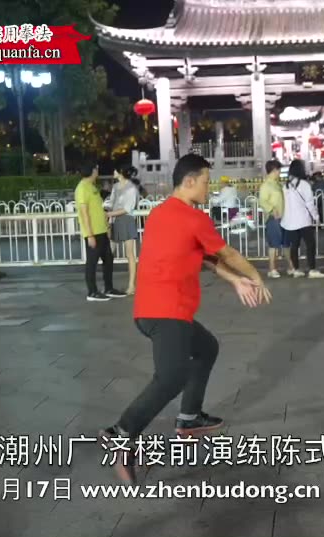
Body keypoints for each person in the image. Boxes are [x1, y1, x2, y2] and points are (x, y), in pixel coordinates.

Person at [98, 154, 272, 485]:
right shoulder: (194, 218)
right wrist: (255, 276)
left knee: (206, 348)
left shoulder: (162, 212)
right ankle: (121, 434)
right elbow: (227, 253)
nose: (209, 188)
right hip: (167, 311)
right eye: (206, 182)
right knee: (171, 378)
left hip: (150, 309)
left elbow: (204, 257)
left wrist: (235, 280)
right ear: (189, 181)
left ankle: (189, 418)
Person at [76, 165, 126, 302]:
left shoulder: (92, 187)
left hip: (102, 231)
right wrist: (89, 235)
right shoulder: (82, 188)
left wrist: (106, 227)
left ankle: (108, 288)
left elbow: (98, 210)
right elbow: (84, 213)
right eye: (96, 169)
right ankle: (92, 292)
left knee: (108, 259)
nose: (98, 171)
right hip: (93, 232)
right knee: (92, 263)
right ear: (92, 171)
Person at [282, 160, 324, 278]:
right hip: (303, 220)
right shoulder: (304, 185)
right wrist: (316, 217)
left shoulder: (286, 186)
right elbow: (310, 203)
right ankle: (312, 269)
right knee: (310, 245)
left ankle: (296, 269)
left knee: (294, 246)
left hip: (290, 222)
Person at [104, 170, 140, 295]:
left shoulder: (131, 188)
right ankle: (108, 286)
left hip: (126, 220)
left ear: (121, 172)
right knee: (109, 254)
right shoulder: (115, 186)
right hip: (114, 220)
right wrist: (108, 214)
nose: (113, 172)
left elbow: (128, 208)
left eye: (115, 170)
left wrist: (109, 214)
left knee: (129, 254)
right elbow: (111, 203)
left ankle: (131, 285)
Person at [259, 159, 295, 278]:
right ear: (274, 170)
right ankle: (272, 269)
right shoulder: (266, 185)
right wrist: (271, 209)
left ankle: (291, 267)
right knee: (274, 244)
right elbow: (262, 201)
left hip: (283, 217)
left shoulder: (278, 184)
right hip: (273, 218)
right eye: (279, 170)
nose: (279, 172)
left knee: (286, 243)